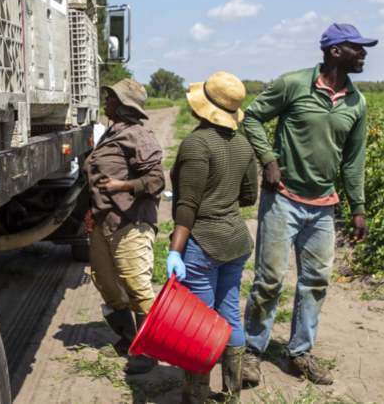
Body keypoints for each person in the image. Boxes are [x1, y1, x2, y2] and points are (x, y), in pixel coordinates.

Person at [240, 23, 376, 386]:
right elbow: (251, 117)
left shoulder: (356, 102)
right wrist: (268, 159)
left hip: (323, 206)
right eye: (357, 48)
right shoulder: (294, 84)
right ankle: (251, 351)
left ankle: (299, 352)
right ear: (334, 51)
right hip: (283, 198)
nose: (364, 55)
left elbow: (353, 160)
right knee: (269, 280)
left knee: (315, 282)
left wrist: (357, 207)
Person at [167, 71, 259, 404]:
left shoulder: (196, 143)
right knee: (229, 313)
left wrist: (176, 250)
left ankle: (197, 395)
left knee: (200, 324)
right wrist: (224, 196)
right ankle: (232, 395)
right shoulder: (244, 143)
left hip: (203, 244)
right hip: (235, 240)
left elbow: (187, 206)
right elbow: (249, 195)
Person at [82, 78, 165, 375]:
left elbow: (156, 181)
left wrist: (124, 184)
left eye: (111, 98)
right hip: (106, 221)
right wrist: (92, 210)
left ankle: (148, 350)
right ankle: (129, 338)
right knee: (104, 280)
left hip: (131, 222)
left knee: (137, 286)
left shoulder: (137, 135)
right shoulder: (111, 133)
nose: (106, 101)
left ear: (123, 105)